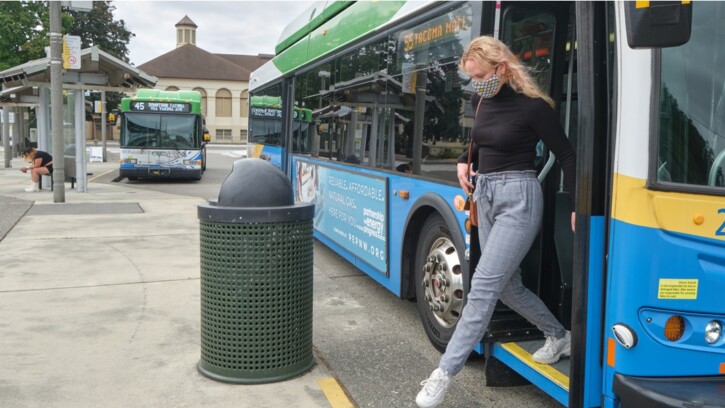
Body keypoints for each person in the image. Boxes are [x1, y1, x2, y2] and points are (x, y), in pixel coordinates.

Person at [416, 36, 576, 408]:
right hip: (485, 196)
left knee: (483, 288)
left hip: (518, 199)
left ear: (502, 68)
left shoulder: (534, 108)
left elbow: (567, 154)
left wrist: (578, 205)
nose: (475, 83)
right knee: (507, 287)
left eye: (480, 75)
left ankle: (443, 374)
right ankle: (558, 334)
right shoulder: (481, 100)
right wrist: (462, 159)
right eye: (470, 77)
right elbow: (481, 141)